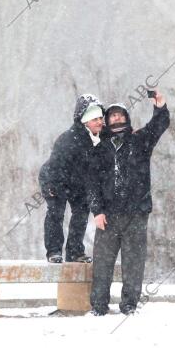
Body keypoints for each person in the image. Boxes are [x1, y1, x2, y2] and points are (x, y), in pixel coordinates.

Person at [87, 90, 170, 315]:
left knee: (133, 264)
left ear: (126, 118)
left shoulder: (140, 141)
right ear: (106, 121)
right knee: (102, 265)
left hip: (136, 214)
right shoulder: (100, 150)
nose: (116, 118)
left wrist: (160, 106)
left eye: (119, 115)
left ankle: (129, 306)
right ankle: (99, 307)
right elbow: (92, 184)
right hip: (108, 217)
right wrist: (97, 211)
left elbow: (158, 126)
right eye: (111, 116)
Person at [39, 94, 104, 263]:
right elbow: (55, 166)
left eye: (100, 118)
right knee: (56, 212)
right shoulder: (69, 139)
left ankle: (75, 251)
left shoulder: (99, 138)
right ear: (84, 121)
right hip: (56, 179)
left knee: (81, 213)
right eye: (94, 118)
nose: (99, 122)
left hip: (79, 182)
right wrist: (50, 186)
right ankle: (54, 251)